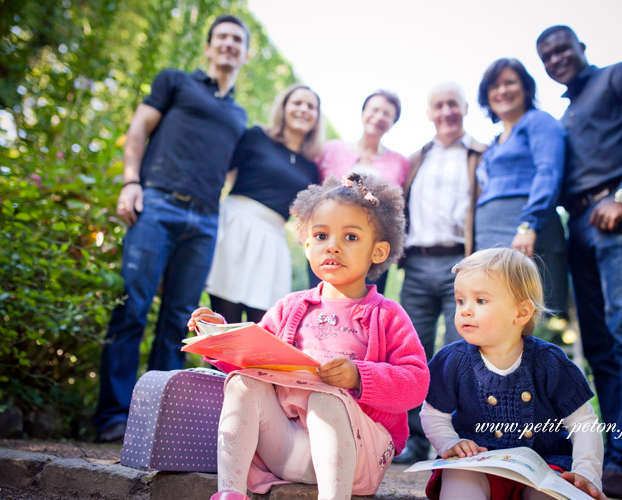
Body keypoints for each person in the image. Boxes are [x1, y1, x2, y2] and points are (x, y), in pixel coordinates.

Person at [187, 173, 429, 500]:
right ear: (307, 244)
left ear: (379, 251)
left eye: (351, 237)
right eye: (321, 235)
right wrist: (219, 334)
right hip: (286, 449)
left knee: (325, 397)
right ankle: (230, 493)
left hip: (357, 457)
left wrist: (359, 376)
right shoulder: (290, 307)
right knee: (243, 382)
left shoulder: (387, 315)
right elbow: (251, 359)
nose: (333, 246)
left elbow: (416, 382)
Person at [93, 14, 250, 443]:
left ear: (245, 52)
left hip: (205, 219)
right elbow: (138, 128)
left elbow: (231, 169)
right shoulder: (176, 82)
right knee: (132, 306)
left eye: (237, 39)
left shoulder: (239, 114)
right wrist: (131, 182)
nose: (229, 44)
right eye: (222, 37)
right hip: (157, 203)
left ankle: (152, 421)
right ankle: (112, 416)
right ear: (208, 46)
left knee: (178, 321)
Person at [536, 25, 622, 498]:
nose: (556, 59)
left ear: (581, 47)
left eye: (562, 48)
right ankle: (615, 451)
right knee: (599, 345)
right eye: (546, 56)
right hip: (580, 225)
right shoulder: (564, 117)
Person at [421, 248, 606, 500]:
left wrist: (587, 473)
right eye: (460, 300)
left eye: (481, 301)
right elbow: (434, 413)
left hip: (544, 465)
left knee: (549, 494)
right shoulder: (454, 360)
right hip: (477, 464)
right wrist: (448, 443)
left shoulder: (549, 362)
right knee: (459, 483)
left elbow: (583, 423)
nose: (465, 310)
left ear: (521, 313)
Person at [394, 82, 487, 464]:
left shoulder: (481, 154)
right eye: (439, 105)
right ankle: (413, 439)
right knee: (411, 354)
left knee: (457, 354)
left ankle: (451, 440)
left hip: (459, 265)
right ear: (430, 113)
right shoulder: (416, 159)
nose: (446, 111)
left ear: (464, 108)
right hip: (415, 264)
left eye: (453, 104)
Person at [205, 84, 324, 324]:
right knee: (225, 321)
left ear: (317, 118)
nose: (303, 110)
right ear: (284, 107)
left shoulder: (311, 166)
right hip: (236, 226)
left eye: (311, 106)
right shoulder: (257, 137)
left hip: (273, 238)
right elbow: (219, 173)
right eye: (297, 103)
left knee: (263, 324)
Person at [475, 58, 568, 317]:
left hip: (525, 234)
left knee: (532, 316)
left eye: (509, 82)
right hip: (490, 241)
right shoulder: (493, 144)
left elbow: (548, 171)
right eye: (494, 86)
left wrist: (529, 224)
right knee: (496, 318)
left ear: (526, 88)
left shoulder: (539, 122)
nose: (502, 90)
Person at [310, 89, 410, 293]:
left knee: (366, 309)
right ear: (363, 112)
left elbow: (400, 209)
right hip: (327, 243)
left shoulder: (400, 163)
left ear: (393, 123)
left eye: (387, 114)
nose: (379, 117)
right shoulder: (330, 150)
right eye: (375, 110)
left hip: (371, 251)